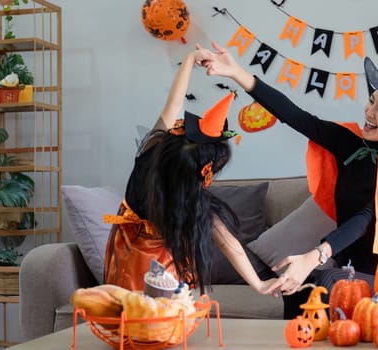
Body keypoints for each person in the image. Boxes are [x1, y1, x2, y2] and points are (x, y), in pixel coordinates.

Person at [198, 29, 378, 318]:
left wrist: (316, 256)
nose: (369, 112)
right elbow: (296, 116)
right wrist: (237, 72)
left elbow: (364, 219)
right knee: (299, 290)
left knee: (322, 283)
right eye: (371, 102)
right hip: (349, 269)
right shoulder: (351, 143)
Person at [103, 45, 281, 297]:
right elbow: (230, 245)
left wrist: (189, 60)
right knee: (159, 317)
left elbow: (173, 104)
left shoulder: (150, 151)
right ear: (203, 173)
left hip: (126, 251)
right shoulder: (194, 200)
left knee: (129, 312)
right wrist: (259, 284)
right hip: (158, 267)